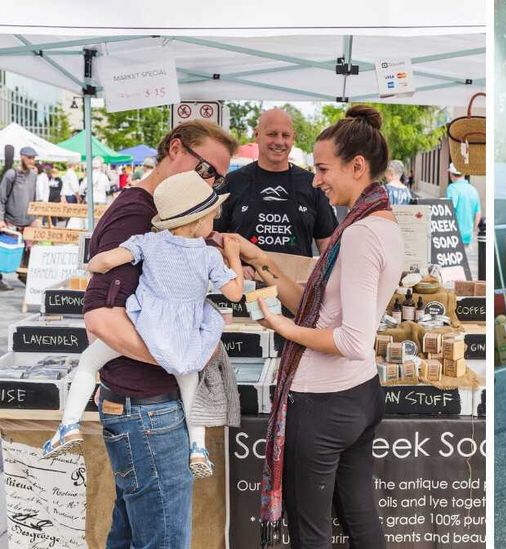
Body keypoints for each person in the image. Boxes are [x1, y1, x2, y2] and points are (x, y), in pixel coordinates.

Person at [232, 106, 402, 547]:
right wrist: (263, 262)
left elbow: (352, 340)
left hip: (324, 402)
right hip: (358, 395)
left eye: (324, 169)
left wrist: (280, 327)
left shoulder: (361, 233)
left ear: (357, 166)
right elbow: (316, 304)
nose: (316, 180)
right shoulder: (380, 222)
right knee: (362, 520)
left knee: (312, 535)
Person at [82, 120, 237, 547]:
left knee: (133, 535)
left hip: (144, 406)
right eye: (206, 171)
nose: (208, 185)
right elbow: (100, 319)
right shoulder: (137, 214)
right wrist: (182, 356)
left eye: (217, 179)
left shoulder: (164, 220)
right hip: (148, 409)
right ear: (175, 148)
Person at [43, 171, 244, 480]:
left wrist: (91, 265)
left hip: (146, 330)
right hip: (184, 335)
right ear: (199, 222)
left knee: (90, 360)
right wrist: (234, 258)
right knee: (190, 381)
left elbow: (106, 261)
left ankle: (68, 426)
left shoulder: (148, 242)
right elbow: (235, 293)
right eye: (213, 216)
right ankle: (198, 447)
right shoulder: (209, 257)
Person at [215, 108, 338, 257]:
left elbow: (327, 243)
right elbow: (214, 240)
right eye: (272, 134)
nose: (279, 142)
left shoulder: (312, 184)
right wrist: (232, 264)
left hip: (296, 280)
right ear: (257, 135)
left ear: (293, 138)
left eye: (285, 135)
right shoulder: (232, 182)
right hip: (245, 279)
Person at [0, 146, 41, 291]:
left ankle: (23, 275)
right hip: (10, 220)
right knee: (3, 251)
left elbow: (34, 198)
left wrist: (35, 217)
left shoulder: (34, 176)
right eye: (30, 157)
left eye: (34, 158)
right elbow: (1, 198)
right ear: (22, 157)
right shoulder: (12, 174)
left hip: (28, 220)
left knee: (28, 250)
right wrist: (0, 219)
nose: (32, 160)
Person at [446, 163, 482, 247]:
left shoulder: (452, 188)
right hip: (469, 236)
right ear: (464, 173)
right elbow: (478, 213)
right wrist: (473, 231)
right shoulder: (473, 190)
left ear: (451, 174)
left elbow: (449, 210)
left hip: (454, 235)